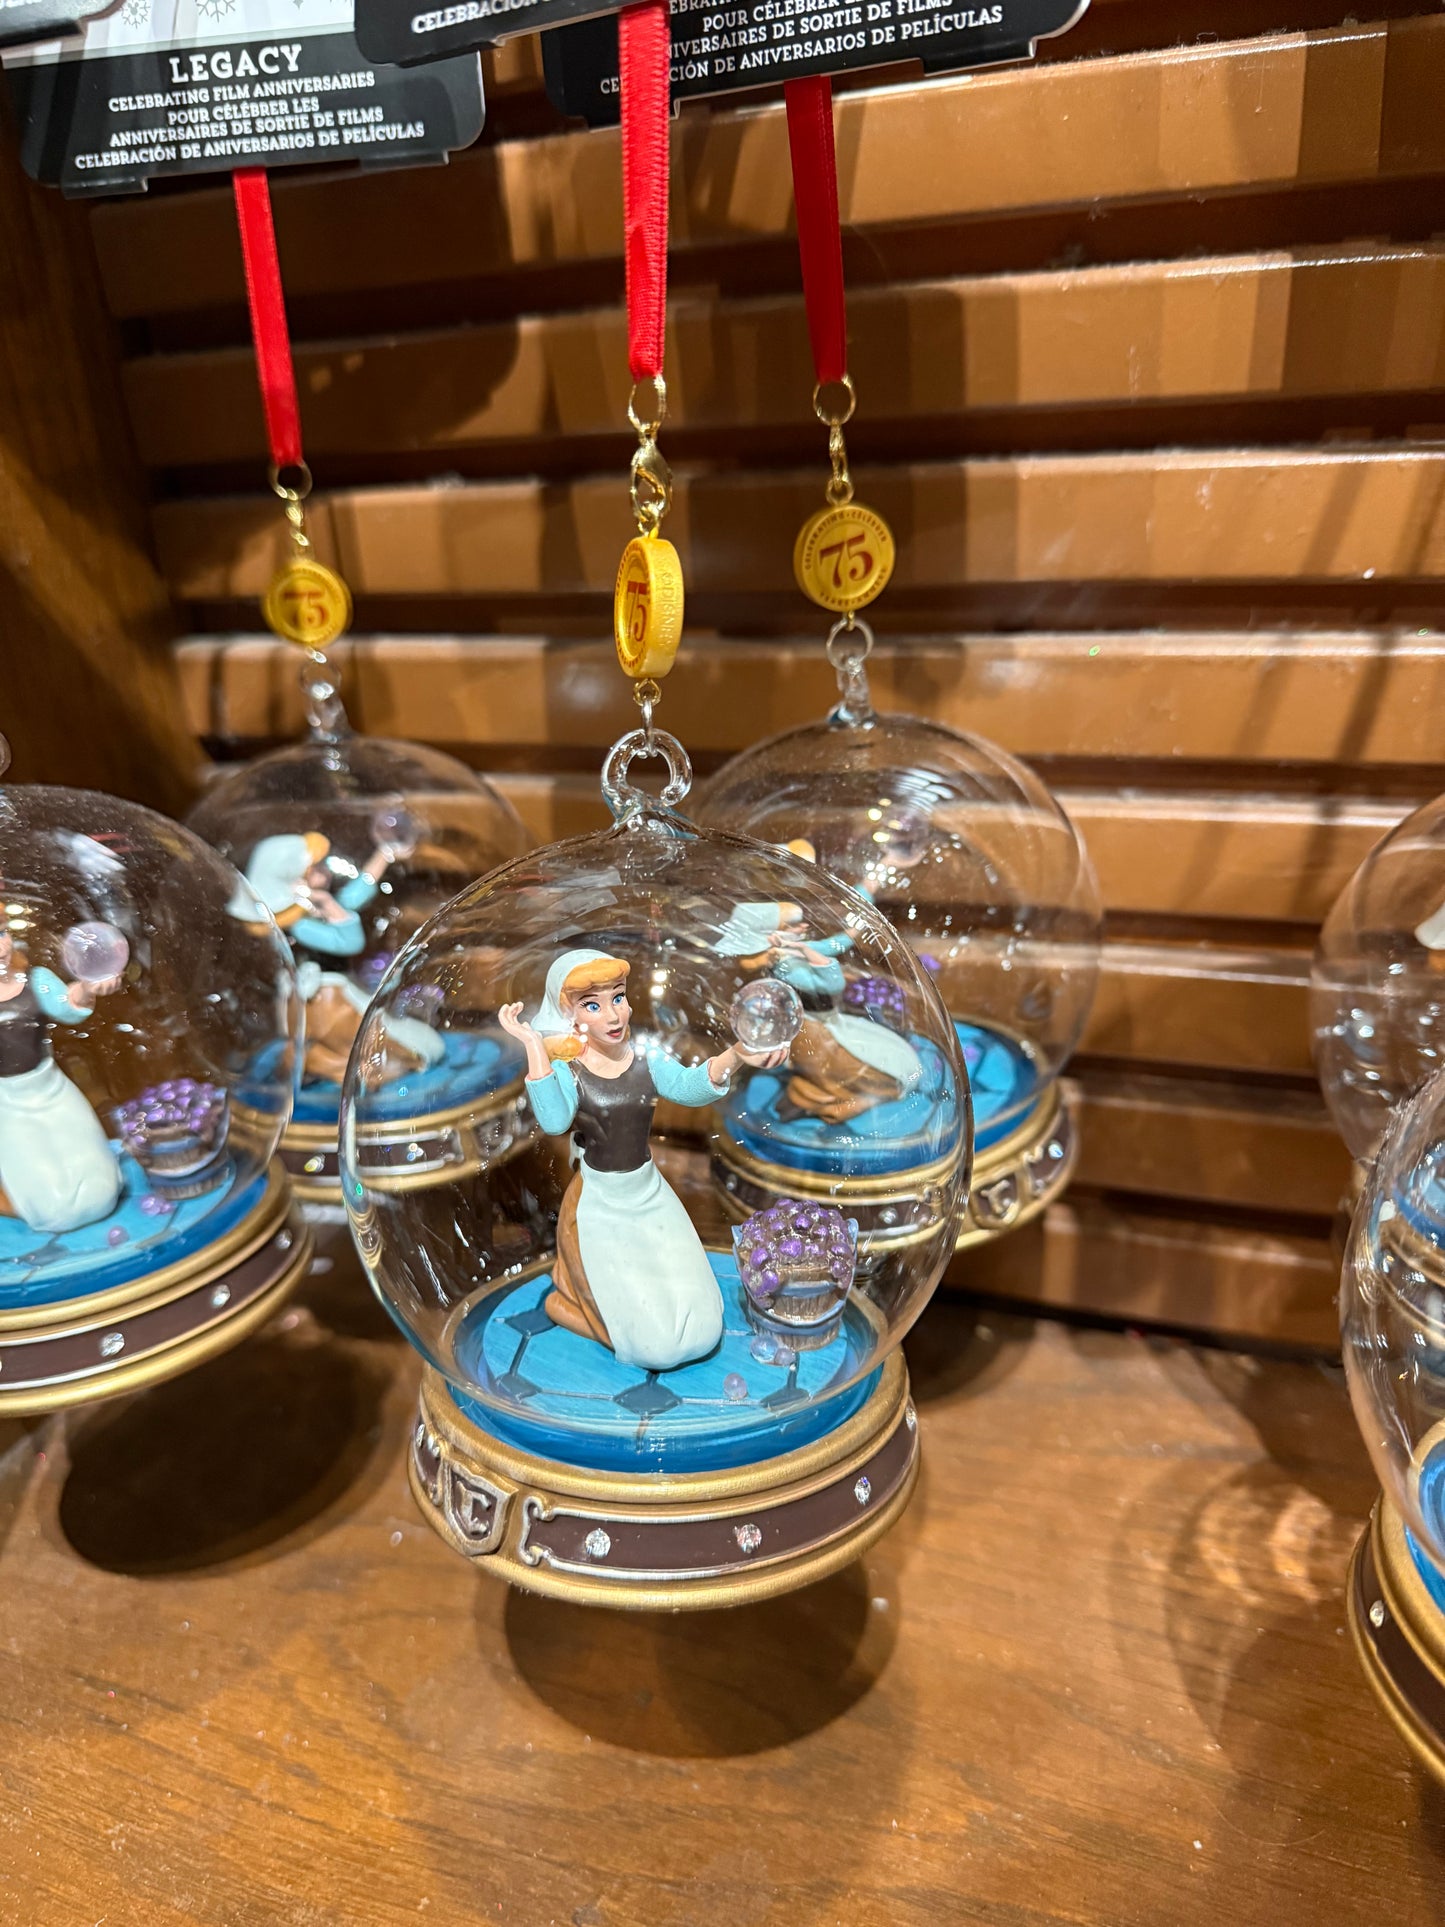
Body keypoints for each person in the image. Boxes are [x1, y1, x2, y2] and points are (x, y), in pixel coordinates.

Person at [499, 948, 785, 1372]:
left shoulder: (646, 1060)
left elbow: (690, 1087)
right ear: (570, 1014)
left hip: (650, 1196)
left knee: (705, 1329)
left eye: (618, 997)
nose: (613, 1015)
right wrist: (533, 1045)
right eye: (593, 1005)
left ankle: (604, 1310)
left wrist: (739, 1054)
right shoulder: (569, 1071)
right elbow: (555, 1121)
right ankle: (571, 1305)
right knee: (657, 1348)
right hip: (600, 1208)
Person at [228, 832, 441, 1084]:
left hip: (335, 990)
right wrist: (327, 902)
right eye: (315, 869)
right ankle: (328, 1065)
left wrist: (384, 854)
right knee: (405, 1042)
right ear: (293, 881)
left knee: (401, 1036)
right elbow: (351, 942)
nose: (325, 871)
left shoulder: (312, 912)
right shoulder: (298, 927)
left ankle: (327, 1062)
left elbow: (357, 893)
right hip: (326, 998)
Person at [714, 902, 922, 1124]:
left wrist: (852, 932)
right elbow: (832, 985)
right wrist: (823, 963)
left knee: (875, 1049)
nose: (803, 927)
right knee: (836, 1060)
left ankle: (863, 1090)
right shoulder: (785, 966)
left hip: (829, 1021)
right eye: (792, 926)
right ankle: (839, 1091)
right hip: (810, 1028)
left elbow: (829, 945)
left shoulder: (790, 951)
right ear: (771, 936)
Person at [0, 924, 122, 1233]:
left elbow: (66, 1004)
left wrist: (88, 988)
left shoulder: (34, 981)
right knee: (52, 1206)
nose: (1, 948)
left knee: (101, 1189)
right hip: (7, 1103)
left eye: (1, 933)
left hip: (51, 1088)